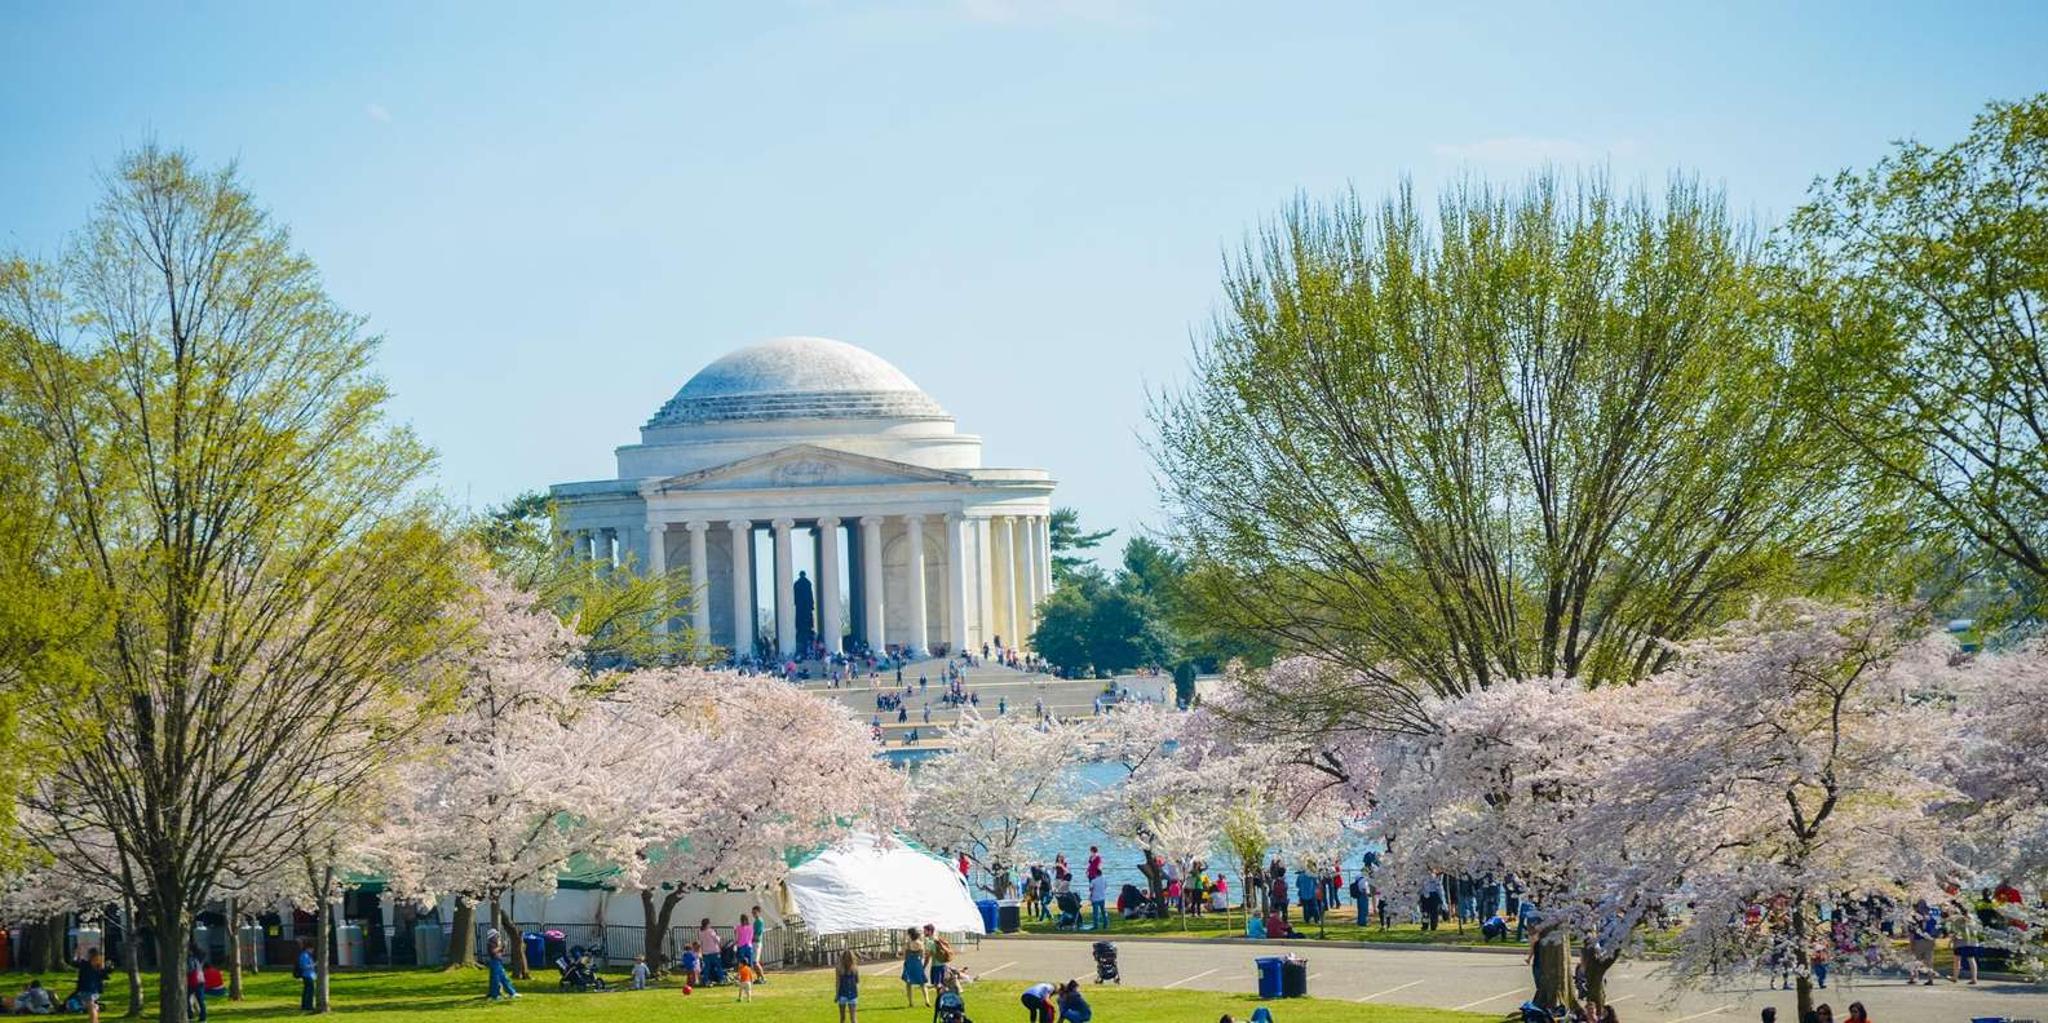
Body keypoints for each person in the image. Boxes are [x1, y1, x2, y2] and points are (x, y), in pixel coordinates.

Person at [900, 926, 930, 1007]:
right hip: (918, 963)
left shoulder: (908, 944)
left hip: (909, 963)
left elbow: (904, 955)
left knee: (908, 983)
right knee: (922, 983)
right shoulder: (920, 944)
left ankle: (910, 1002)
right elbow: (922, 955)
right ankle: (927, 1000)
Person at [834, 949, 860, 1023]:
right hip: (850, 994)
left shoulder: (840, 968)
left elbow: (838, 982)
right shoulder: (854, 968)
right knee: (853, 1018)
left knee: (843, 1018)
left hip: (844, 994)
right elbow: (857, 981)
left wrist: (836, 994)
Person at [925, 924, 954, 989]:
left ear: (930, 931)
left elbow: (927, 957)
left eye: (925, 931)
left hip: (936, 967)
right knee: (943, 985)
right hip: (944, 966)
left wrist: (923, 967)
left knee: (938, 987)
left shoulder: (930, 942)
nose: (924, 932)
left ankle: (941, 998)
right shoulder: (938, 938)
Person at [185, 942, 208, 1021]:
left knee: (187, 999)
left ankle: (190, 1015)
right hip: (200, 980)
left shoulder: (190, 958)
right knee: (201, 1000)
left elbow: (190, 969)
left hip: (192, 981)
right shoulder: (199, 957)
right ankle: (203, 1017)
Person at [295, 938, 317, 1012]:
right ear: (308, 948)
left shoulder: (306, 955)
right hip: (307, 975)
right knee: (310, 991)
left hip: (309, 975)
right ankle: (308, 1005)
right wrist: (313, 965)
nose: (312, 951)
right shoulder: (305, 955)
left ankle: (305, 1005)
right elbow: (304, 966)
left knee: (306, 991)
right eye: (312, 949)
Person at [734, 913, 758, 981]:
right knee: (749, 962)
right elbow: (752, 937)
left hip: (741, 946)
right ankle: (750, 977)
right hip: (748, 946)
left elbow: (737, 936)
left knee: (741, 962)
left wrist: (736, 942)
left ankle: (740, 975)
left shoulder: (738, 927)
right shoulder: (750, 927)